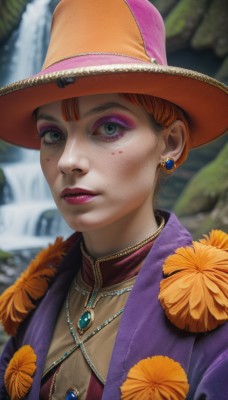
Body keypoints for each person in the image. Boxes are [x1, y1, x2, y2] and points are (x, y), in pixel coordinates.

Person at [0, 0, 227, 399]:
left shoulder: (212, 312)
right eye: (51, 134)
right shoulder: (32, 303)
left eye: (107, 127)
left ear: (170, 143)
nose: (68, 161)